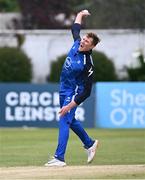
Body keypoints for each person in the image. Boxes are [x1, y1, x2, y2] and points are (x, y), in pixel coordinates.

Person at [45, 10, 100, 167]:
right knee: (70, 120)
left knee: (64, 119)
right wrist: (81, 14)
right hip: (63, 88)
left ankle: (59, 158)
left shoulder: (87, 64)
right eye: (83, 39)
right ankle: (89, 144)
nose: (83, 42)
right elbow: (75, 29)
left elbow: (87, 92)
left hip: (73, 93)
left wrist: (69, 105)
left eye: (87, 42)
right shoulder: (76, 43)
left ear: (92, 46)